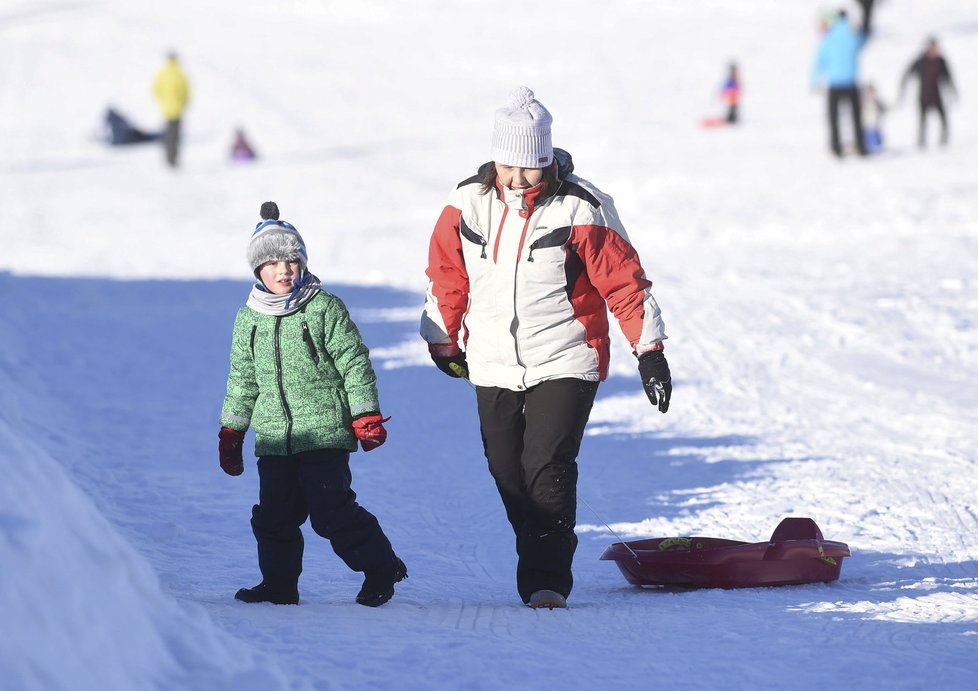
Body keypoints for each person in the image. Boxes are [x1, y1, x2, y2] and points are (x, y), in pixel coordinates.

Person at [420, 87, 672, 610]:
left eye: (530, 167)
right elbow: (449, 274)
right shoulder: (467, 201)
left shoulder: (583, 206)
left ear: (548, 159)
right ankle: (539, 544)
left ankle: (546, 581)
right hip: (492, 359)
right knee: (506, 471)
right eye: (508, 165)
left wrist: (648, 350)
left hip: (566, 354)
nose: (517, 179)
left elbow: (623, 283)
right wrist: (443, 338)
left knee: (547, 465)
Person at [219, 201, 407, 607]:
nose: (283, 270)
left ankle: (380, 566)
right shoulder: (247, 318)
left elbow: (354, 362)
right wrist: (232, 429)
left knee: (330, 512)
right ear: (257, 271)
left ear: (302, 263)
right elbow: (242, 378)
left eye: (290, 261)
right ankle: (279, 585)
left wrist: (365, 413)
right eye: (272, 263)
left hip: (324, 431)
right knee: (274, 517)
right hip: (273, 436)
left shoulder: (323, 308)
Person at [811, 1, 875, 157]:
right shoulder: (851, 35)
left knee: (834, 118)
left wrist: (814, 81)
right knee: (856, 117)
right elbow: (864, 40)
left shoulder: (829, 37)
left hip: (834, 83)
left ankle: (836, 147)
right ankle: (861, 146)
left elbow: (820, 60)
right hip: (851, 82)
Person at [899, 37, 958, 148]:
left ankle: (944, 140)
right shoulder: (921, 61)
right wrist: (903, 92)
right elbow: (907, 75)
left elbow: (949, 78)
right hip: (924, 96)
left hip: (937, 95)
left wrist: (953, 92)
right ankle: (921, 142)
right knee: (923, 121)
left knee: (943, 118)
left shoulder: (941, 61)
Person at [152, 52, 190, 167]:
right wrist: (183, 103)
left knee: (168, 135)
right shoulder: (180, 73)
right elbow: (186, 91)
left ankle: (168, 158)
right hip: (178, 109)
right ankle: (174, 158)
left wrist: (163, 101)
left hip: (167, 109)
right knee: (176, 135)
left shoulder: (162, 73)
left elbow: (156, 89)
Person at [860, 83, 887, 154]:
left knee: (877, 138)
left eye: (872, 92)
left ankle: (878, 147)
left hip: (875, 125)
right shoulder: (862, 104)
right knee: (868, 137)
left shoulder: (877, 102)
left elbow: (883, 108)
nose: (870, 94)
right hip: (867, 126)